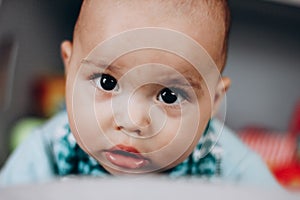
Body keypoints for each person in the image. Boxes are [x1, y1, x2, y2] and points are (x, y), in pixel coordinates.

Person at [0, 0, 280, 188]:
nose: (133, 121)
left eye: (169, 96)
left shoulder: (231, 167)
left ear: (215, 101)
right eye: (108, 82)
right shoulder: (45, 156)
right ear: (69, 67)